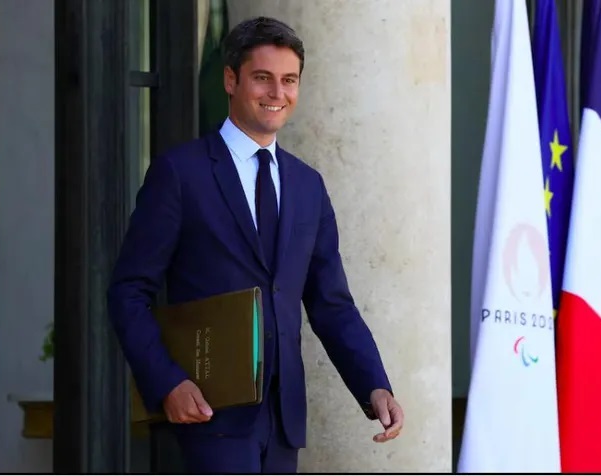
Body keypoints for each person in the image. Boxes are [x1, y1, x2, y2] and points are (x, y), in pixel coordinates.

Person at [107, 16, 404, 474]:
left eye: (289, 80)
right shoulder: (180, 173)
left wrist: (374, 385)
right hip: (208, 415)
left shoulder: (308, 186)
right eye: (262, 78)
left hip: (283, 422)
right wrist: (167, 383)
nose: (276, 92)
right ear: (231, 80)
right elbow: (128, 291)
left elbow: (331, 303)